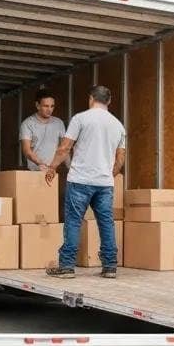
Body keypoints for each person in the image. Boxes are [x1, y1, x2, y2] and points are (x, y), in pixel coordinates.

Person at [44, 85, 126, 280]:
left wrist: (52, 167)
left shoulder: (80, 119)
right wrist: (109, 174)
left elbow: (65, 147)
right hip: (104, 183)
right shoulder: (118, 125)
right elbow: (121, 157)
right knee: (106, 223)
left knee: (73, 222)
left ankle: (66, 266)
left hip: (80, 180)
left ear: (91, 99)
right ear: (109, 101)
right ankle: (109, 267)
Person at [20, 88, 66, 172]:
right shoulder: (27, 123)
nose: (49, 110)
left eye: (52, 106)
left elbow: (64, 148)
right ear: (37, 105)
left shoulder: (59, 123)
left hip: (53, 170)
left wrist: (68, 166)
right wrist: (40, 164)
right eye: (46, 106)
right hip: (35, 171)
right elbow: (26, 150)